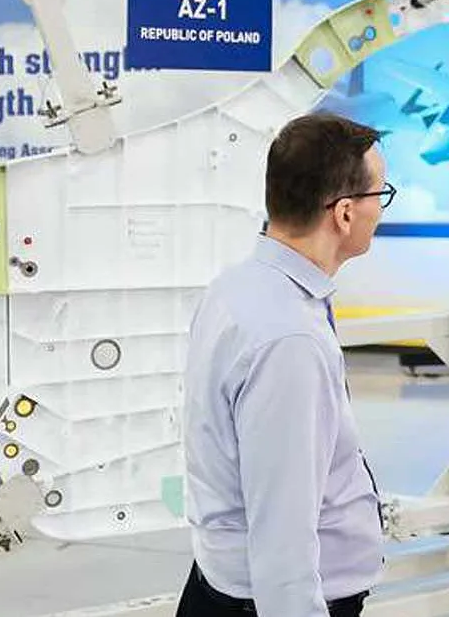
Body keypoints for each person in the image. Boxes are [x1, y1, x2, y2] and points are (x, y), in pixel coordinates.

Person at [178, 112, 393, 617]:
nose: (380, 211)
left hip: (225, 584)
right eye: (379, 196)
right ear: (344, 214)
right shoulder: (290, 339)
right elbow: (283, 535)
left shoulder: (237, 288)